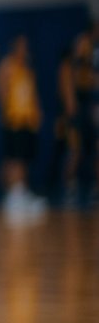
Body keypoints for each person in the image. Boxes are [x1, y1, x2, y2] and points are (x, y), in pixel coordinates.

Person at [0, 35, 46, 218]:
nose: (25, 49)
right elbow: (0, 90)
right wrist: (6, 109)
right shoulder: (7, 65)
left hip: (28, 119)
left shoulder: (27, 68)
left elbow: (32, 94)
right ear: (14, 46)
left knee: (23, 158)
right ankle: (13, 195)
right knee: (14, 157)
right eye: (21, 45)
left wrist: (37, 113)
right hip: (13, 118)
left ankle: (21, 192)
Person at [58, 24, 96, 207]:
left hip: (86, 107)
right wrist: (70, 108)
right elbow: (67, 90)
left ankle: (92, 189)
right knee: (75, 150)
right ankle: (69, 187)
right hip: (74, 112)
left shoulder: (89, 66)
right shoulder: (69, 66)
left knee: (92, 148)